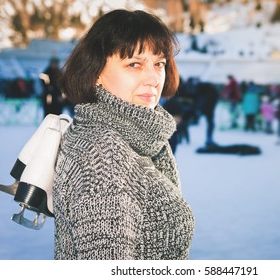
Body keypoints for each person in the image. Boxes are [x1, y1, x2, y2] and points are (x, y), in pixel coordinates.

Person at [53, 9, 195, 260]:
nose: (153, 78)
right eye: (134, 64)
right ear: (95, 72)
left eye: (159, 63)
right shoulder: (101, 156)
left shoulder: (139, 138)